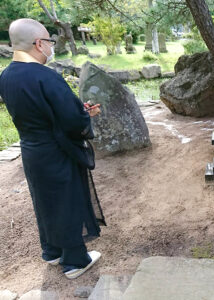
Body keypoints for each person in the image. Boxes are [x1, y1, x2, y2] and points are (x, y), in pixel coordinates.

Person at [0, 19, 106, 279]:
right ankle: (74, 261)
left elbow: (38, 113)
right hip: (56, 151)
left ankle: (52, 251)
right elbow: (70, 121)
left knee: (46, 202)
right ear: (38, 44)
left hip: (32, 150)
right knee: (67, 201)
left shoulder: (6, 75)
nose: (51, 46)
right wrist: (86, 117)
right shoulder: (45, 76)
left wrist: (74, 113)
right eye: (49, 41)